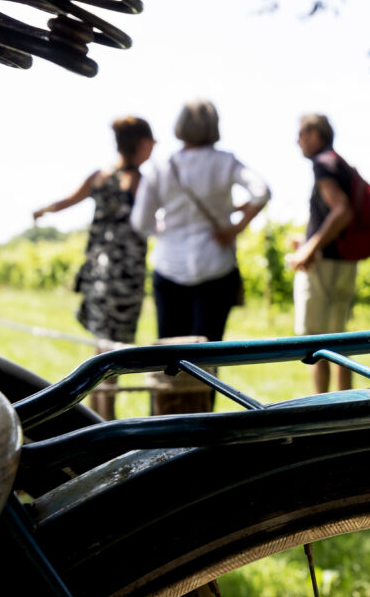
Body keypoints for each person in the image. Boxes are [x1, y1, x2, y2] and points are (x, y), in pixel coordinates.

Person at [34, 116, 156, 418]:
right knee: (115, 351)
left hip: (99, 275)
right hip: (125, 277)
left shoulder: (100, 177)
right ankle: (105, 419)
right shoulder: (140, 181)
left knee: (102, 347)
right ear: (141, 143)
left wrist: (44, 210)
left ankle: (95, 419)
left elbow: (67, 201)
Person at [131, 99, 270, 343]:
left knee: (169, 353)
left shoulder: (161, 167)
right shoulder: (225, 161)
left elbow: (140, 221)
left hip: (169, 265)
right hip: (215, 266)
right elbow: (261, 191)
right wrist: (236, 228)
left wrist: (162, 228)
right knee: (208, 352)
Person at [289, 113, 359, 393]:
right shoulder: (340, 163)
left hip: (324, 265)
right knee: (340, 339)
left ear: (315, 134)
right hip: (344, 262)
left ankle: (321, 409)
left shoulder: (323, 164)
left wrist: (310, 247)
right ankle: (347, 404)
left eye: (301, 134)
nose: (297, 141)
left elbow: (341, 209)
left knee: (316, 343)